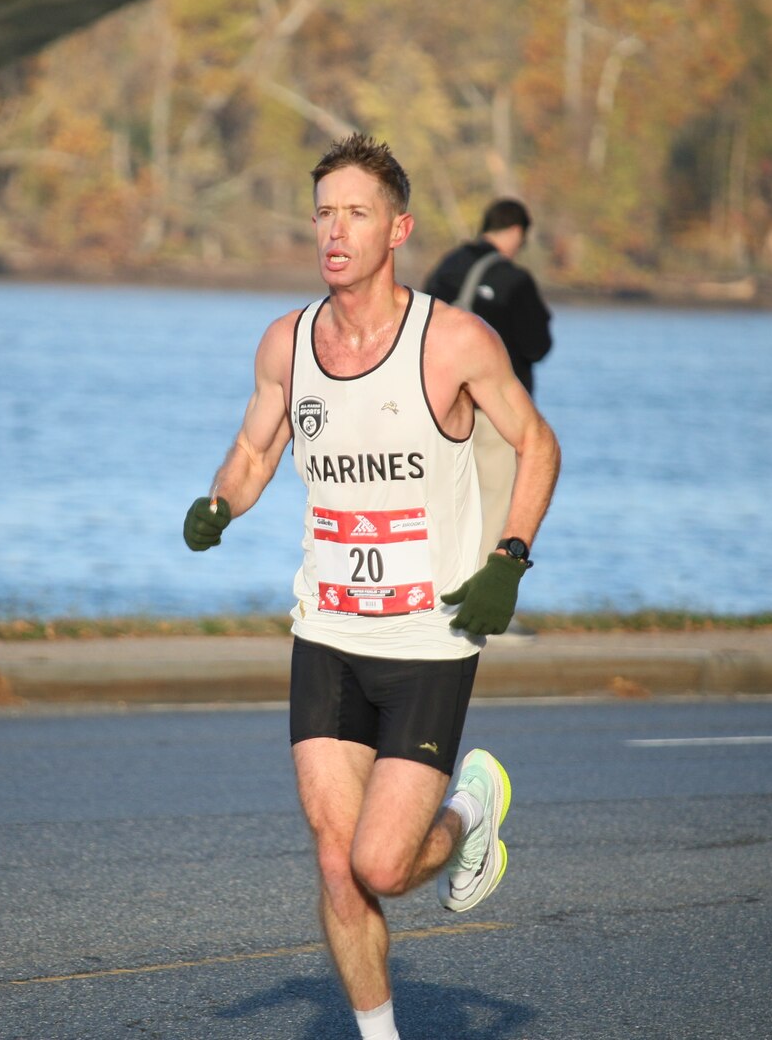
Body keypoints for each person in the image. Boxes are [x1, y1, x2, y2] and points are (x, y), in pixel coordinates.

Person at [182, 135, 560, 1040]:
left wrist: (509, 560)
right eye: (323, 213)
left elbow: (538, 444)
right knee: (333, 859)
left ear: (398, 228)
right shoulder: (289, 342)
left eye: (355, 213)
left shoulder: (453, 340)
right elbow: (255, 450)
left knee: (384, 866)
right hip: (328, 628)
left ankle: (470, 812)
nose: (335, 230)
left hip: (429, 640)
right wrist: (218, 504)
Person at [422, 200, 554, 591]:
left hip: (440, 411)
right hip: (494, 414)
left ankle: (433, 593)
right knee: (495, 505)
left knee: (444, 506)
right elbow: (538, 345)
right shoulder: (515, 280)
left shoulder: (445, 269)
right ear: (516, 232)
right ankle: (480, 598)